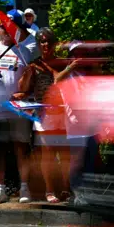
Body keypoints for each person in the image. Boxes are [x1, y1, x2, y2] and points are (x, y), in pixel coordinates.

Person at [13, 28, 79, 204]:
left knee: (65, 153)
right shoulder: (34, 65)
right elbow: (24, 90)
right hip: (44, 114)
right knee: (47, 154)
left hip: (63, 112)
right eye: (42, 42)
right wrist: (25, 78)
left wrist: (69, 68)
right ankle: (49, 190)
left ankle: (65, 188)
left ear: (54, 44)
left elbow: (61, 81)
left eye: (49, 41)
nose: (45, 45)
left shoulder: (62, 63)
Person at [0, 22, 32, 205]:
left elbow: (30, 80)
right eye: (2, 27)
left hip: (18, 106)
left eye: (10, 27)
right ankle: (0, 189)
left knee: (21, 146)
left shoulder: (24, 51)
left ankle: (24, 187)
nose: (6, 30)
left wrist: (24, 92)